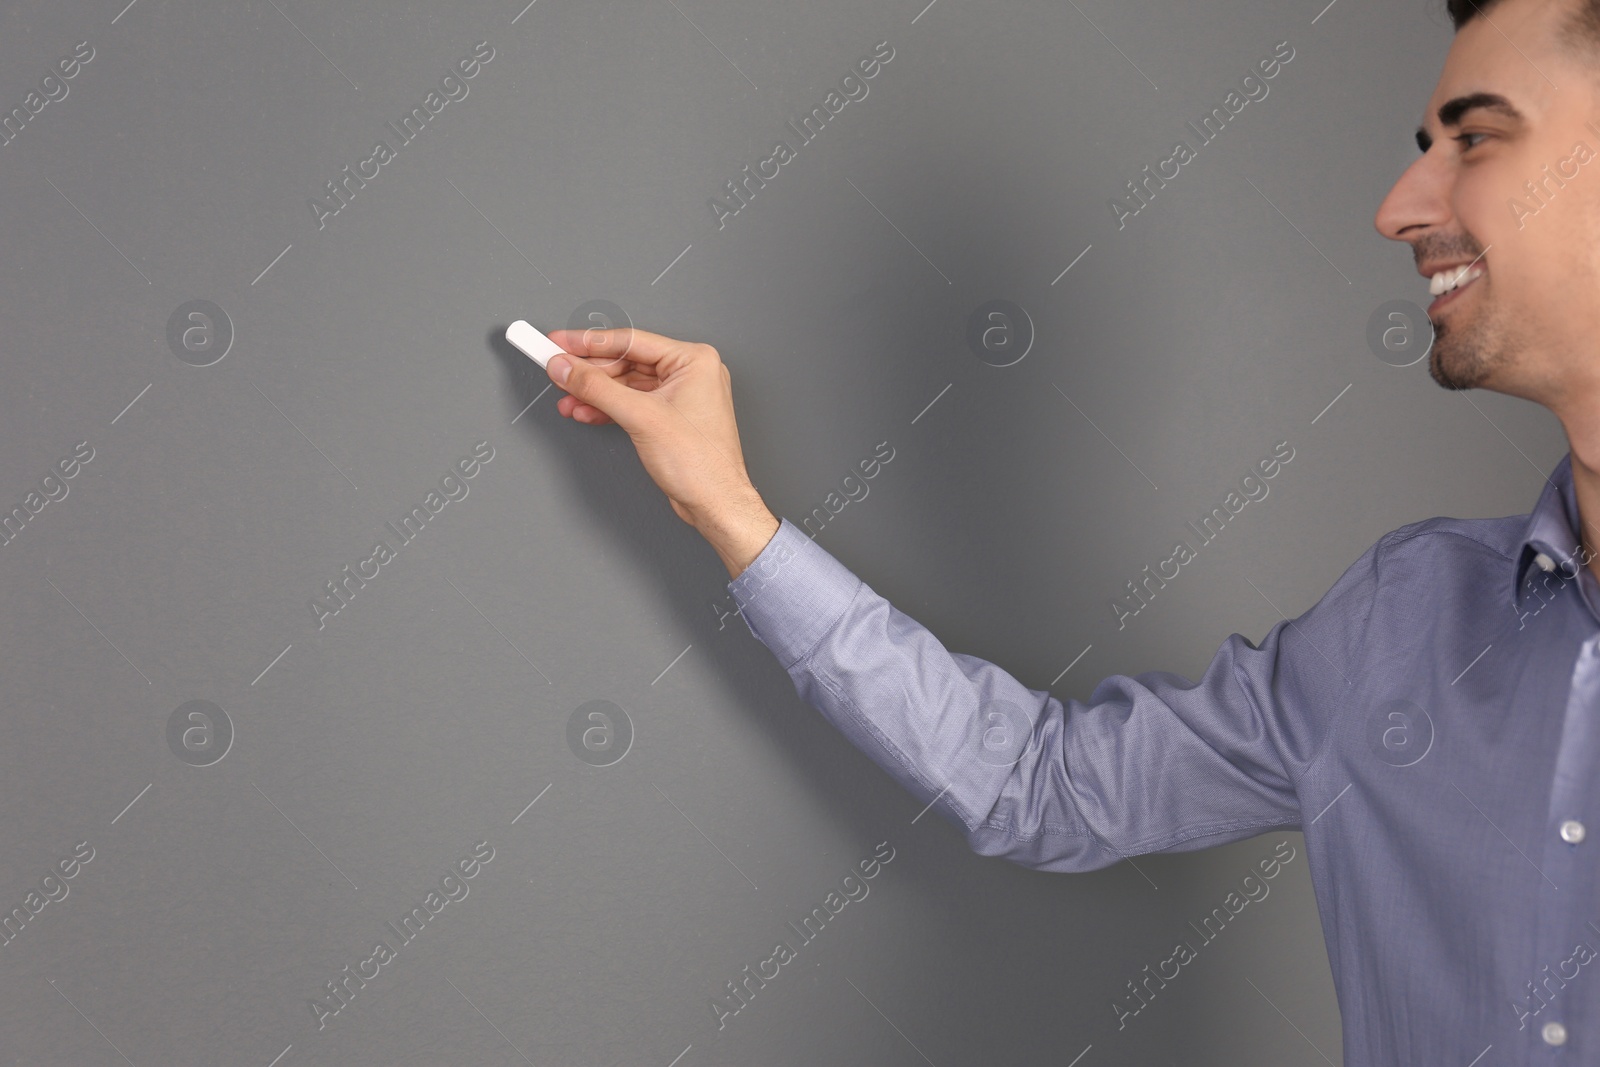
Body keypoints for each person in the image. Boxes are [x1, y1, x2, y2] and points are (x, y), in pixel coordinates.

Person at [534, 0, 1600, 1060]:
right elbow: (1040, 784)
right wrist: (729, 511)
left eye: (1474, 137)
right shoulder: (1404, 622)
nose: (1399, 207)